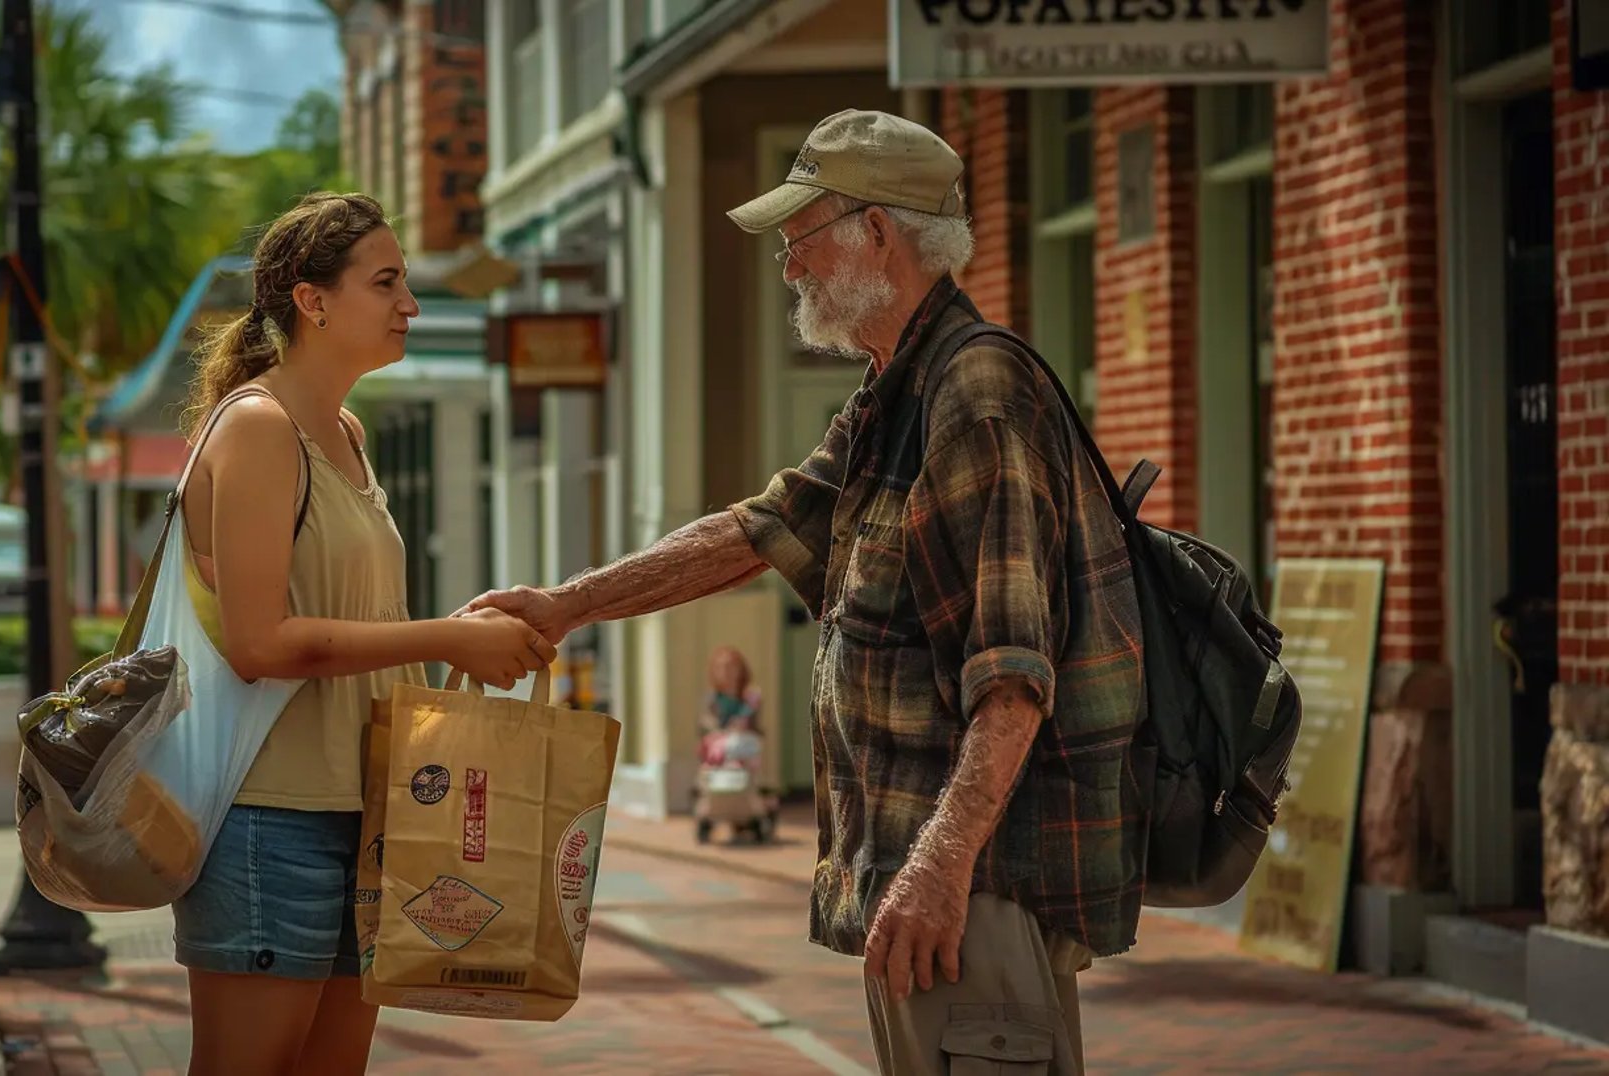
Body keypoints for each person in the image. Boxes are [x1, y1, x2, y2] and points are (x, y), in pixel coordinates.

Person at [463, 110, 1145, 1075]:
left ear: (880, 232)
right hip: (933, 880)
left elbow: (1013, 677)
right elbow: (759, 531)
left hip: (978, 887)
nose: (789, 266)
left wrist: (940, 866)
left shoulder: (975, 393)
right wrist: (567, 605)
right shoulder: (896, 388)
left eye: (803, 236)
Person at [173, 191, 557, 1076]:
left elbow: (358, 619)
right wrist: (445, 639)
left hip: (372, 814)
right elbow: (260, 644)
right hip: (271, 816)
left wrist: (455, 636)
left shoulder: (343, 432)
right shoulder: (260, 427)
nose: (409, 304)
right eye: (385, 283)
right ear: (312, 300)